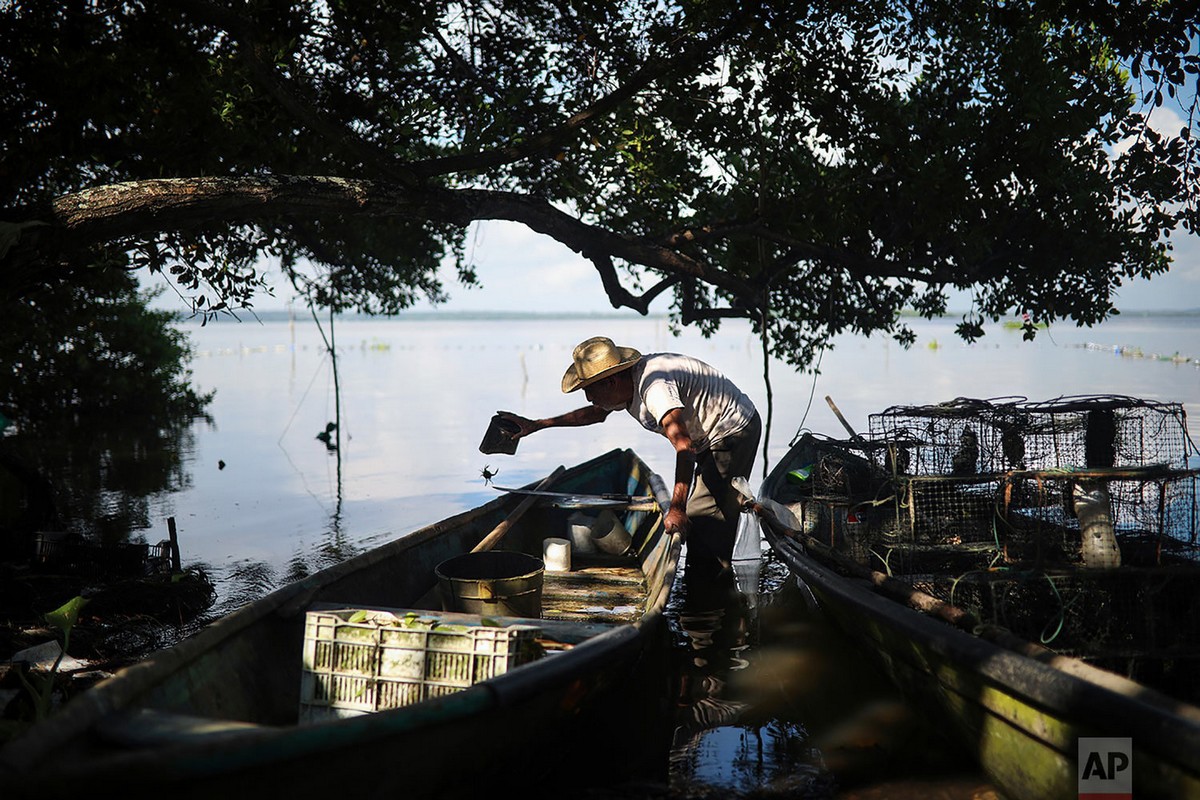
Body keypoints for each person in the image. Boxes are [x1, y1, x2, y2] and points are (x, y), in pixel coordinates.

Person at [498, 336, 761, 570]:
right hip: (705, 437)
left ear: (611, 381)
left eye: (589, 389)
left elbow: (684, 447)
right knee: (704, 518)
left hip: (732, 430)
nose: (588, 397)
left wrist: (677, 508)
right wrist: (538, 425)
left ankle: (712, 597)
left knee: (702, 520)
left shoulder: (654, 388)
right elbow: (595, 415)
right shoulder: (623, 385)